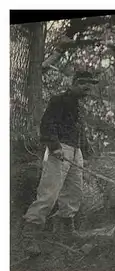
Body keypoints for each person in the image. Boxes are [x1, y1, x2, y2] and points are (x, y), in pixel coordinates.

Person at [19, 70, 99, 256]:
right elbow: (47, 124)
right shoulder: (59, 100)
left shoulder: (78, 106)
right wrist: (54, 146)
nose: (88, 89)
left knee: (74, 192)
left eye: (90, 86)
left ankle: (65, 232)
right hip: (59, 149)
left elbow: (78, 130)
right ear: (76, 82)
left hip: (74, 150)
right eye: (85, 85)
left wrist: (84, 150)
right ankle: (29, 234)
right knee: (49, 193)